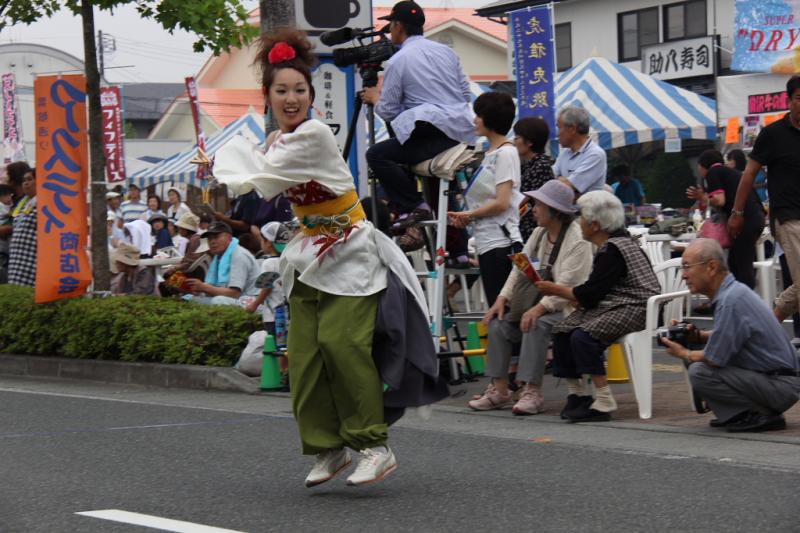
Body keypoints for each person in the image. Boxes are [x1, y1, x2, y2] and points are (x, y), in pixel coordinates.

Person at [213, 29, 446, 488]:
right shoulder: (278, 142)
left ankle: (373, 445)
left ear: (310, 96)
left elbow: (259, 181)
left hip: (351, 253)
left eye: (299, 90)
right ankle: (328, 447)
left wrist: (225, 163)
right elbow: (261, 176)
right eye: (282, 90)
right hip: (309, 256)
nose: (291, 98)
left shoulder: (314, 135)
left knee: (343, 345)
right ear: (268, 96)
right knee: (303, 356)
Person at [470, 180, 593, 414]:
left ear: (554, 210)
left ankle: (532, 390)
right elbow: (520, 267)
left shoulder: (578, 239)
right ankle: (500, 388)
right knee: (498, 324)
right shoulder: (539, 233)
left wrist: (539, 308)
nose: (533, 209)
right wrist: (502, 299)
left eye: (538, 204)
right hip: (534, 302)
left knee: (536, 324)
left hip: (568, 307)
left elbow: (570, 285)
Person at [536, 191, 660, 422]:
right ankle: (577, 394)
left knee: (583, 336)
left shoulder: (613, 250)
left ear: (595, 225)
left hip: (637, 307)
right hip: (617, 303)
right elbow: (595, 292)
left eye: (580, 217)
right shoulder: (615, 244)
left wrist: (556, 289)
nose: (577, 223)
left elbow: (590, 294)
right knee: (562, 330)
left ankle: (604, 399)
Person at [660, 239, 800, 432]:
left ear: (711, 267)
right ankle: (737, 412)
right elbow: (730, 336)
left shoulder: (731, 301)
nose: (683, 275)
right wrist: (697, 336)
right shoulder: (733, 293)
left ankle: (755, 414)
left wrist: (683, 352)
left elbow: (714, 358)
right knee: (696, 359)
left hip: (779, 385)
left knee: (699, 370)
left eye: (687, 267)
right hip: (778, 381)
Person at [362, 0, 475, 237]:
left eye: (391, 25)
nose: (390, 30)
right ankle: (458, 252)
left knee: (376, 155)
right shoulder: (447, 52)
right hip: (461, 133)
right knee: (433, 181)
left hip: (432, 135)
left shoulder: (398, 60)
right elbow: (466, 94)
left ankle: (413, 206)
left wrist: (375, 99)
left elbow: (389, 111)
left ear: (399, 25)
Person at [730, 75, 800, 323]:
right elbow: (749, 174)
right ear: (789, 100)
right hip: (788, 216)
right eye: (799, 98)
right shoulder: (773, 134)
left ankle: (764, 326)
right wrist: (737, 213)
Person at [448, 92, 524, 305]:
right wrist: (469, 217)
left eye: (479, 114)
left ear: (490, 118)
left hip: (502, 244)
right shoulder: (491, 153)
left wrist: (468, 214)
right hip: (488, 243)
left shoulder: (505, 153)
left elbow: (502, 202)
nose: (475, 120)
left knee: (503, 314)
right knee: (497, 312)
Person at [688, 149, 764, 289]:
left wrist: (703, 198)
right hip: (756, 217)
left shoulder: (713, 172)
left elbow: (719, 200)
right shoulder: (729, 172)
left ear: (703, 165)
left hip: (745, 220)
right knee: (734, 263)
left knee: (742, 265)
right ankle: (735, 298)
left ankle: (747, 303)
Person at [183, 221, 260, 306]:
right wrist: (197, 289)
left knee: (218, 301)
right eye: (209, 239)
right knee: (189, 298)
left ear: (229, 237)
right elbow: (214, 288)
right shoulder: (219, 257)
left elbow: (234, 293)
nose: (212, 242)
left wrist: (204, 287)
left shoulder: (239, 255)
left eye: (216, 237)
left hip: (251, 302)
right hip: (235, 300)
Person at [246, 221, 290, 337]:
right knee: (285, 347)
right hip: (287, 314)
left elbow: (267, 287)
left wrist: (254, 305)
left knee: (274, 346)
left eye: (262, 240)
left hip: (273, 315)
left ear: (269, 243)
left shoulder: (268, 263)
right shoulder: (287, 260)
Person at [513, 117, 554, 242]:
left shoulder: (541, 166)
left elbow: (521, 201)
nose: (514, 142)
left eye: (517, 138)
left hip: (535, 235)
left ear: (529, 142)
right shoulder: (526, 166)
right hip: (524, 233)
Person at [552, 107, 607, 199]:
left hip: (586, 212)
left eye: (559, 127)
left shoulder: (596, 154)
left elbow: (567, 187)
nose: (557, 134)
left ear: (572, 129)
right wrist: (562, 181)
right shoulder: (565, 152)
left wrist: (564, 182)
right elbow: (549, 178)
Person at [7, 167, 37, 286]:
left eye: (30, 179)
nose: (25, 183)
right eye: (24, 180)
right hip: (17, 260)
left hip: (31, 261)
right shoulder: (24, 203)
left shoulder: (46, 203)